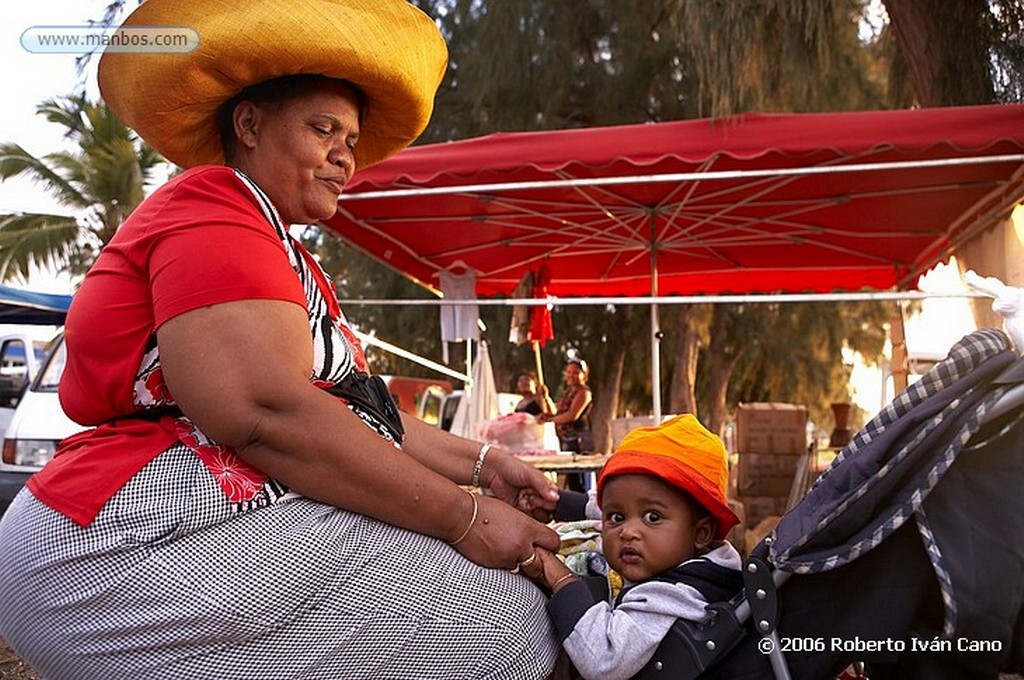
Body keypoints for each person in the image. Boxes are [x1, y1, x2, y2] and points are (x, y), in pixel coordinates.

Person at [0, 2, 562, 678]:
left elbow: (356, 414)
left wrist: (484, 465)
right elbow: (264, 410)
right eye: (323, 129)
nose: (342, 157)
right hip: (121, 543)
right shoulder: (213, 204)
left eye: (351, 141)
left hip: (189, 529)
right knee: (508, 625)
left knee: (509, 615)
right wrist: (465, 517)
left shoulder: (282, 252)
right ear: (250, 124)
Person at [520, 415, 743, 680]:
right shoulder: (696, 558)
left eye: (652, 517)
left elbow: (605, 660)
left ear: (701, 532)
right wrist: (557, 503)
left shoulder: (673, 595)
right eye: (617, 518)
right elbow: (611, 506)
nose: (628, 531)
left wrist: (560, 578)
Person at [539, 357, 594, 453]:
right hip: (566, 438)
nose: (571, 375)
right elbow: (556, 410)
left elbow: (572, 415)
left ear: (584, 375)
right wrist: (546, 398)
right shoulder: (568, 393)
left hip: (578, 440)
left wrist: (550, 420)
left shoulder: (584, 393)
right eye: (568, 372)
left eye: (575, 373)